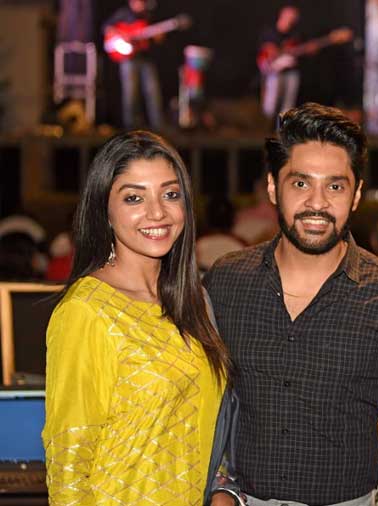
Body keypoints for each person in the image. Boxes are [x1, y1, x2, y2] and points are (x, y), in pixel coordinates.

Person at [204, 103, 378, 506]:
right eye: (300, 184)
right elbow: (202, 401)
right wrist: (219, 486)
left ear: (357, 194)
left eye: (335, 186)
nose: (317, 203)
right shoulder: (227, 281)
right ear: (274, 187)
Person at [41, 130, 229, 504]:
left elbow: (204, 423)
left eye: (170, 194)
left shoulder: (192, 302)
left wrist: (222, 487)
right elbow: (68, 466)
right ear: (104, 212)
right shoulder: (86, 311)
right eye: (134, 198)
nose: (157, 212)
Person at [103, 0, 165, 129]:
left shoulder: (149, 15)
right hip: (129, 59)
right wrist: (123, 35)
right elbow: (106, 27)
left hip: (145, 58)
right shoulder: (123, 13)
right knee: (130, 93)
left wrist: (158, 37)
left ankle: (158, 126)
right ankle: (131, 126)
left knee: (152, 91)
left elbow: (157, 38)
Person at [258, 5, 304, 121]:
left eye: (294, 17)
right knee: (271, 102)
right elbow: (267, 49)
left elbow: (298, 51)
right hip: (274, 70)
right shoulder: (270, 31)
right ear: (282, 15)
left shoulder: (295, 34)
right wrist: (280, 52)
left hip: (291, 71)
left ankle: (283, 128)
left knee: (289, 102)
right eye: (290, 15)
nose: (291, 18)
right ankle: (265, 125)